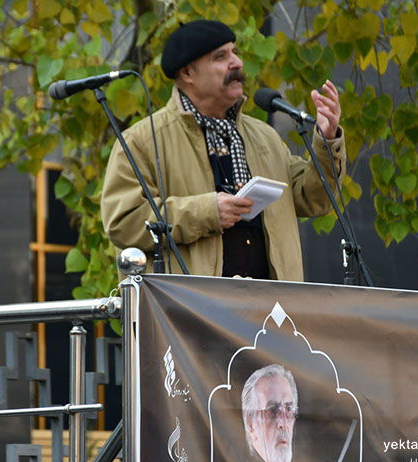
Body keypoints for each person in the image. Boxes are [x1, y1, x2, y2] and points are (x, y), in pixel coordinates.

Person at [101, 19, 346, 280]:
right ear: (188, 74)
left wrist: (327, 140)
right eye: (221, 56)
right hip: (189, 305)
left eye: (235, 53)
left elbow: (314, 198)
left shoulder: (265, 137)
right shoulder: (142, 141)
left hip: (271, 303)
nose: (237, 63)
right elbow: (123, 222)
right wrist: (207, 212)